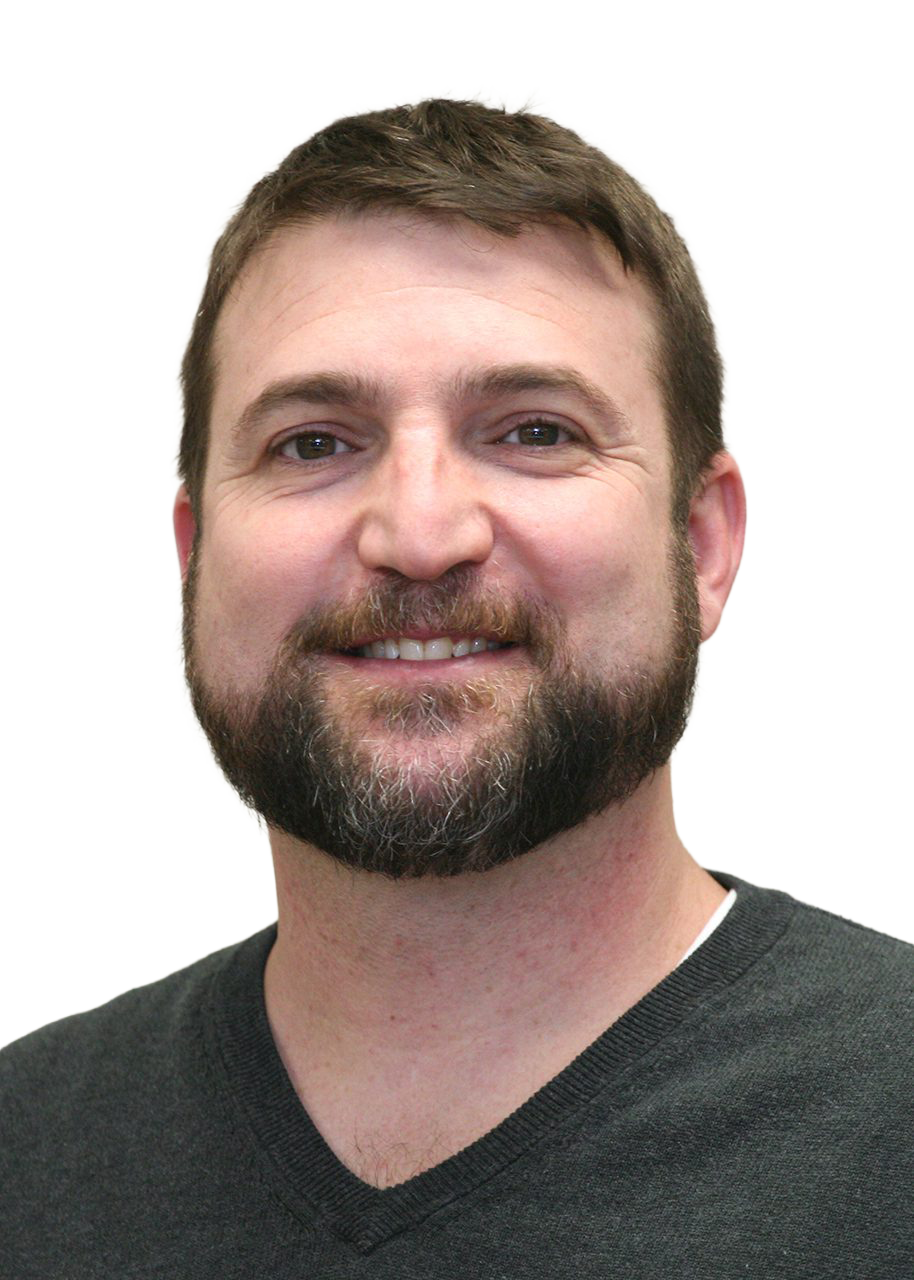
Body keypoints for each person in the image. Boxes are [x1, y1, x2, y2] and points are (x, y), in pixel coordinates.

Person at [3, 95, 911, 1278]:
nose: (420, 535)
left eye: (533, 432)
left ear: (700, 543)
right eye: (313, 442)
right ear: (193, 555)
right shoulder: (21, 1145)